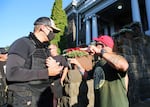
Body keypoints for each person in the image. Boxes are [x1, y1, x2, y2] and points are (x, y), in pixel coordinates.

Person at [6, 17, 63, 107]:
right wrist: (47, 72)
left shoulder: (45, 49)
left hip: (43, 99)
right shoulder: (22, 43)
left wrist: (55, 69)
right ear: (43, 28)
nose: (54, 34)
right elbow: (12, 73)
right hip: (26, 100)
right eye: (52, 31)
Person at [70, 35, 129, 107]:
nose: (94, 46)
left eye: (96, 44)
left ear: (103, 46)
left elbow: (123, 65)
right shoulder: (98, 63)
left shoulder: (116, 58)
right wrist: (77, 64)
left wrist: (100, 51)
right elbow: (87, 76)